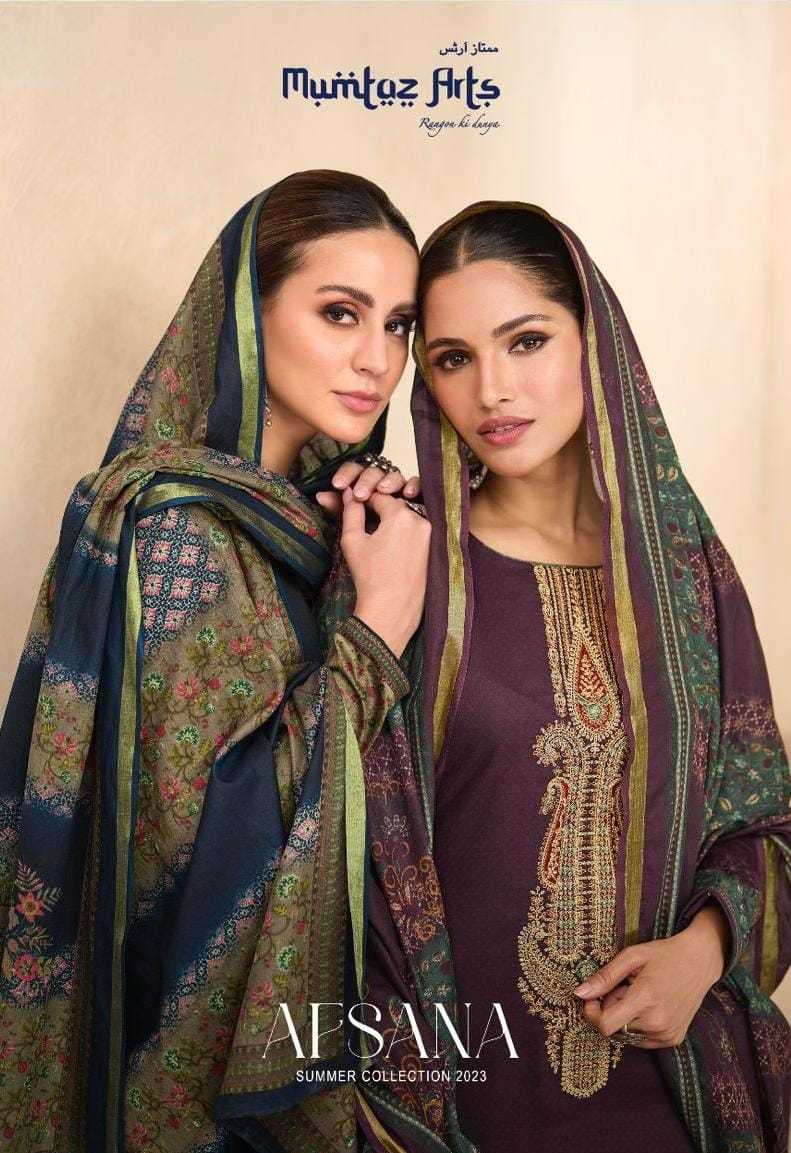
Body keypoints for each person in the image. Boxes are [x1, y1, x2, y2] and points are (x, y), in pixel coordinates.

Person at [0, 169, 432, 1151]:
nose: (377, 359)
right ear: (247, 313)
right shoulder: (170, 531)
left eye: (399, 325)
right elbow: (192, 848)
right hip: (180, 1060)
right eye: (339, 313)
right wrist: (374, 633)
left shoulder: (335, 519)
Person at [350, 202, 790, 1153]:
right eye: (453, 358)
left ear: (595, 342)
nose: (492, 390)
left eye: (526, 340)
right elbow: (326, 840)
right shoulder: (405, 565)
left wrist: (704, 949)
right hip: (458, 1101)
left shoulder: (686, 577)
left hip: (672, 1094)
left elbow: (766, 823)